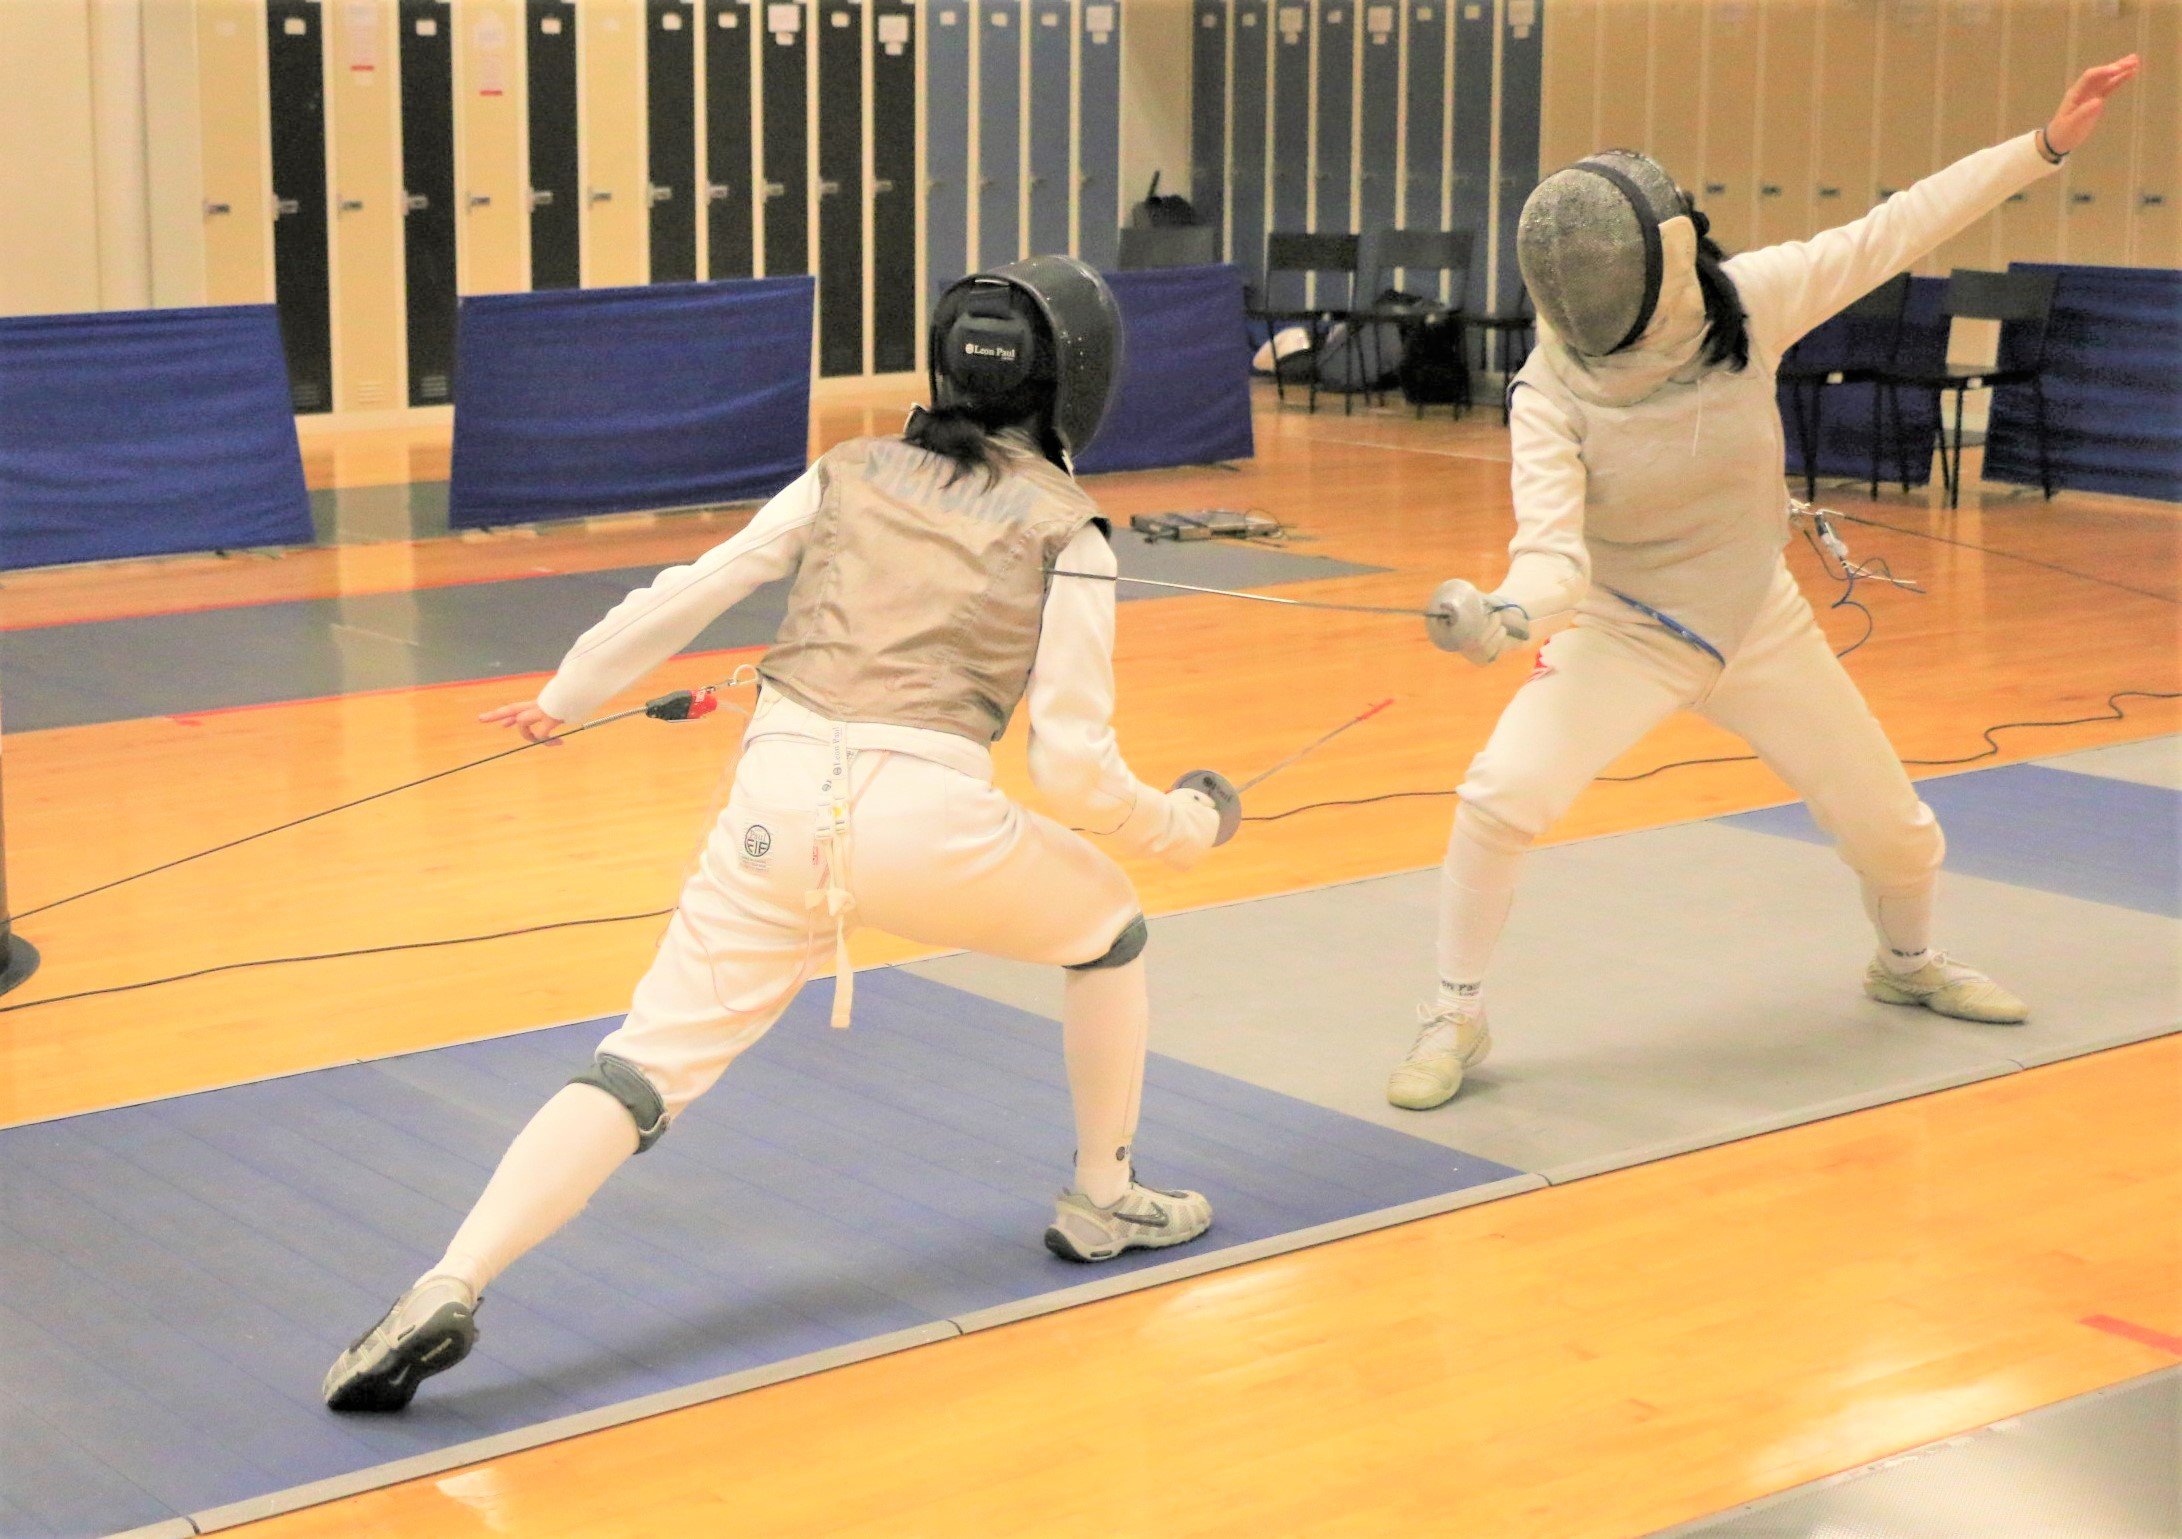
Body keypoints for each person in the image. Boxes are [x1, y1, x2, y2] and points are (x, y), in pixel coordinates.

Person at [325, 256, 1226, 1412]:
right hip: (929, 823)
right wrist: (1183, 826)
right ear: (1077, 380)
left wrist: (567, 694)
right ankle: (1102, 1194)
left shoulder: (847, 470)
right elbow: (1072, 768)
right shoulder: (1072, 529)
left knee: (641, 1065)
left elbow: (692, 586)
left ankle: (450, 1278)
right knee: (1106, 925)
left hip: (771, 806)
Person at [1389, 57, 2142, 1112]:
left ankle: (1905, 963)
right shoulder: (1550, 382)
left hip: (1759, 620)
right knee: (1500, 796)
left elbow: (1898, 227)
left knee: (1898, 834)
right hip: (1627, 629)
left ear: (1663, 263)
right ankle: (1453, 1010)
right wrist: (1511, 615)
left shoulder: (1751, 300)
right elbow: (1553, 554)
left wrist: (2044, 146)